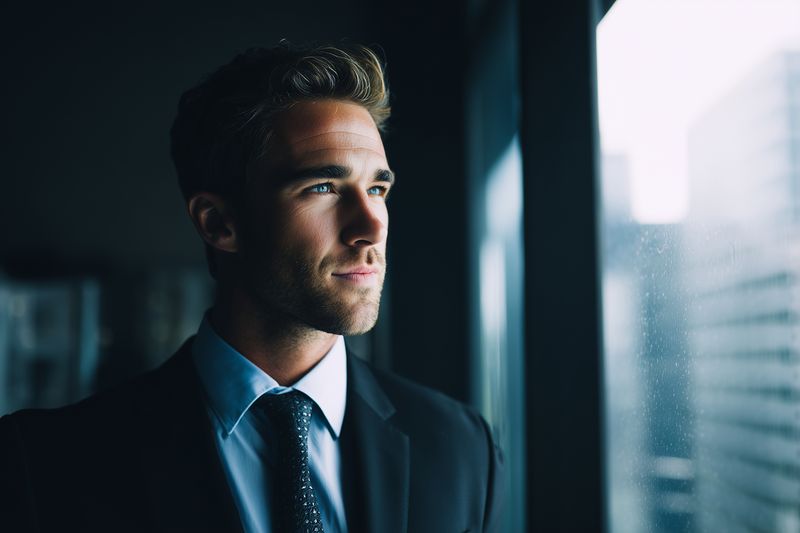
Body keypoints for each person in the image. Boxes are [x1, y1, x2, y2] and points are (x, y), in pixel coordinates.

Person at [0, 42, 503, 533]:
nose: (370, 227)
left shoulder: (461, 447)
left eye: (377, 189)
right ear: (220, 223)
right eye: (323, 188)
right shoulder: (45, 466)